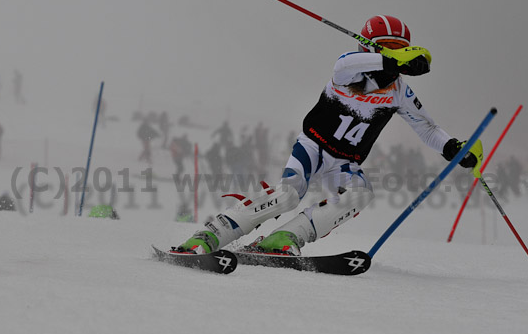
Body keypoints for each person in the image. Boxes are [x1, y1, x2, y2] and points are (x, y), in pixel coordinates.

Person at [176, 15, 483, 255]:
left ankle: (285, 237)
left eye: (400, 48)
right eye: (387, 46)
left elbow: (427, 128)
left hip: (345, 162)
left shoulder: (399, 92)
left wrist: (454, 148)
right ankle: (214, 232)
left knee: (361, 194)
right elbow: (343, 64)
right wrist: (390, 59)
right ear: (370, 47)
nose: (395, 55)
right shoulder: (349, 73)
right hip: (313, 147)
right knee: (289, 194)